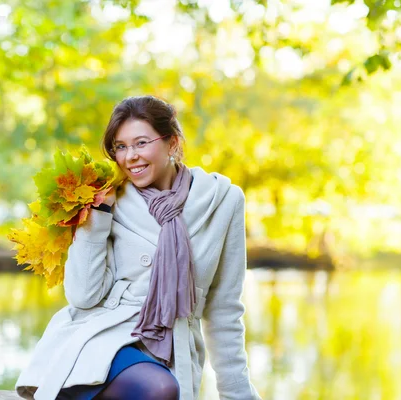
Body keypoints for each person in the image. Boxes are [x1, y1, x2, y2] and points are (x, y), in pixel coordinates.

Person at [15, 95, 261, 400]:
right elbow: (83, 297)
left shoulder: (222, 201)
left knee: (163, 387)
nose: (130, 156)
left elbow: (224, 309)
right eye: (120, 147)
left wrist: (237, 394)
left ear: (171, 143)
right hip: (106, 338)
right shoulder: (106, 197)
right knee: (159, 389)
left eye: (141, 143)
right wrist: (97, 218)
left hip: (173, 347)